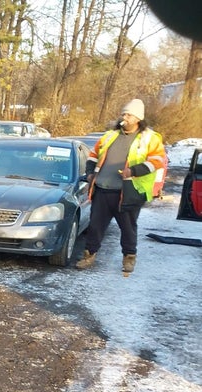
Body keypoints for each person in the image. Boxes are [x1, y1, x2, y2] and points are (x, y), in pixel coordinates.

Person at [75, 99, 167, 275]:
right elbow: (94, 155)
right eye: (123, 114)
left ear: (138, 118)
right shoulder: (110, 135)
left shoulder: (149, 138)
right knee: (95, 226)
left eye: (129, 115)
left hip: (128, 192)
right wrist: (89, 172)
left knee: (128, 228)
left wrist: (133, 171)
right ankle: (88, 255)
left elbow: (157, 161)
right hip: (102, 189)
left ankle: (129, 258)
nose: (124, 117)